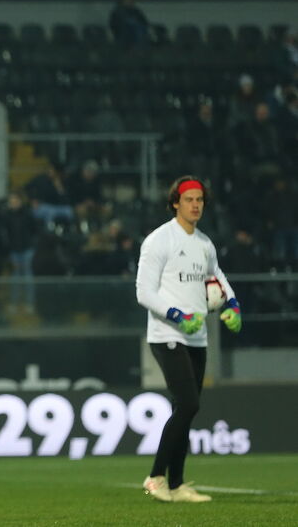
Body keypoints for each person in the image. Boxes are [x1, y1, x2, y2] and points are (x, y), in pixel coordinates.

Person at [135, 176, 242, 503]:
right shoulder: (159, 240)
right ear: (175, 203)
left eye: (200, 200)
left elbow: (217, 277)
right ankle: (156, 477)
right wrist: (177, 315)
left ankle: (178, 484)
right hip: (167, 334)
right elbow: (143, 293)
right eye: (189, 199)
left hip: (197, 339)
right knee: (189, 404)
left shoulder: (204, 244)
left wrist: (233, 303)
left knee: (186, 409)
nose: (195, 204)